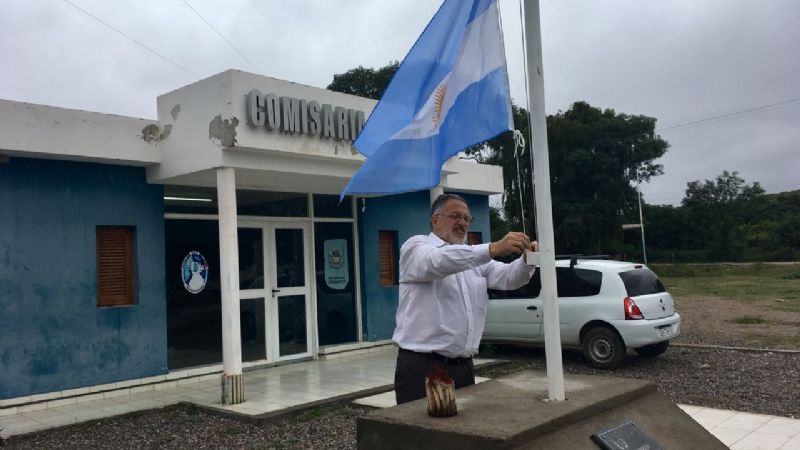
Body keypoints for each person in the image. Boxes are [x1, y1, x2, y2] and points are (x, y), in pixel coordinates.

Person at [393, 193, 538, 404]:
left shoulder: (473, 257)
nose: (462, 223)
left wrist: (527, 260)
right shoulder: (416, 247)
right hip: (423, 365)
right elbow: (437, 262)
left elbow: (508, 278)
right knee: (422, 433)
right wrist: (493, 248)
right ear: (435, 220)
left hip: (463, 366)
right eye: (455, 216)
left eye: (466, 218)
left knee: (464, 433)